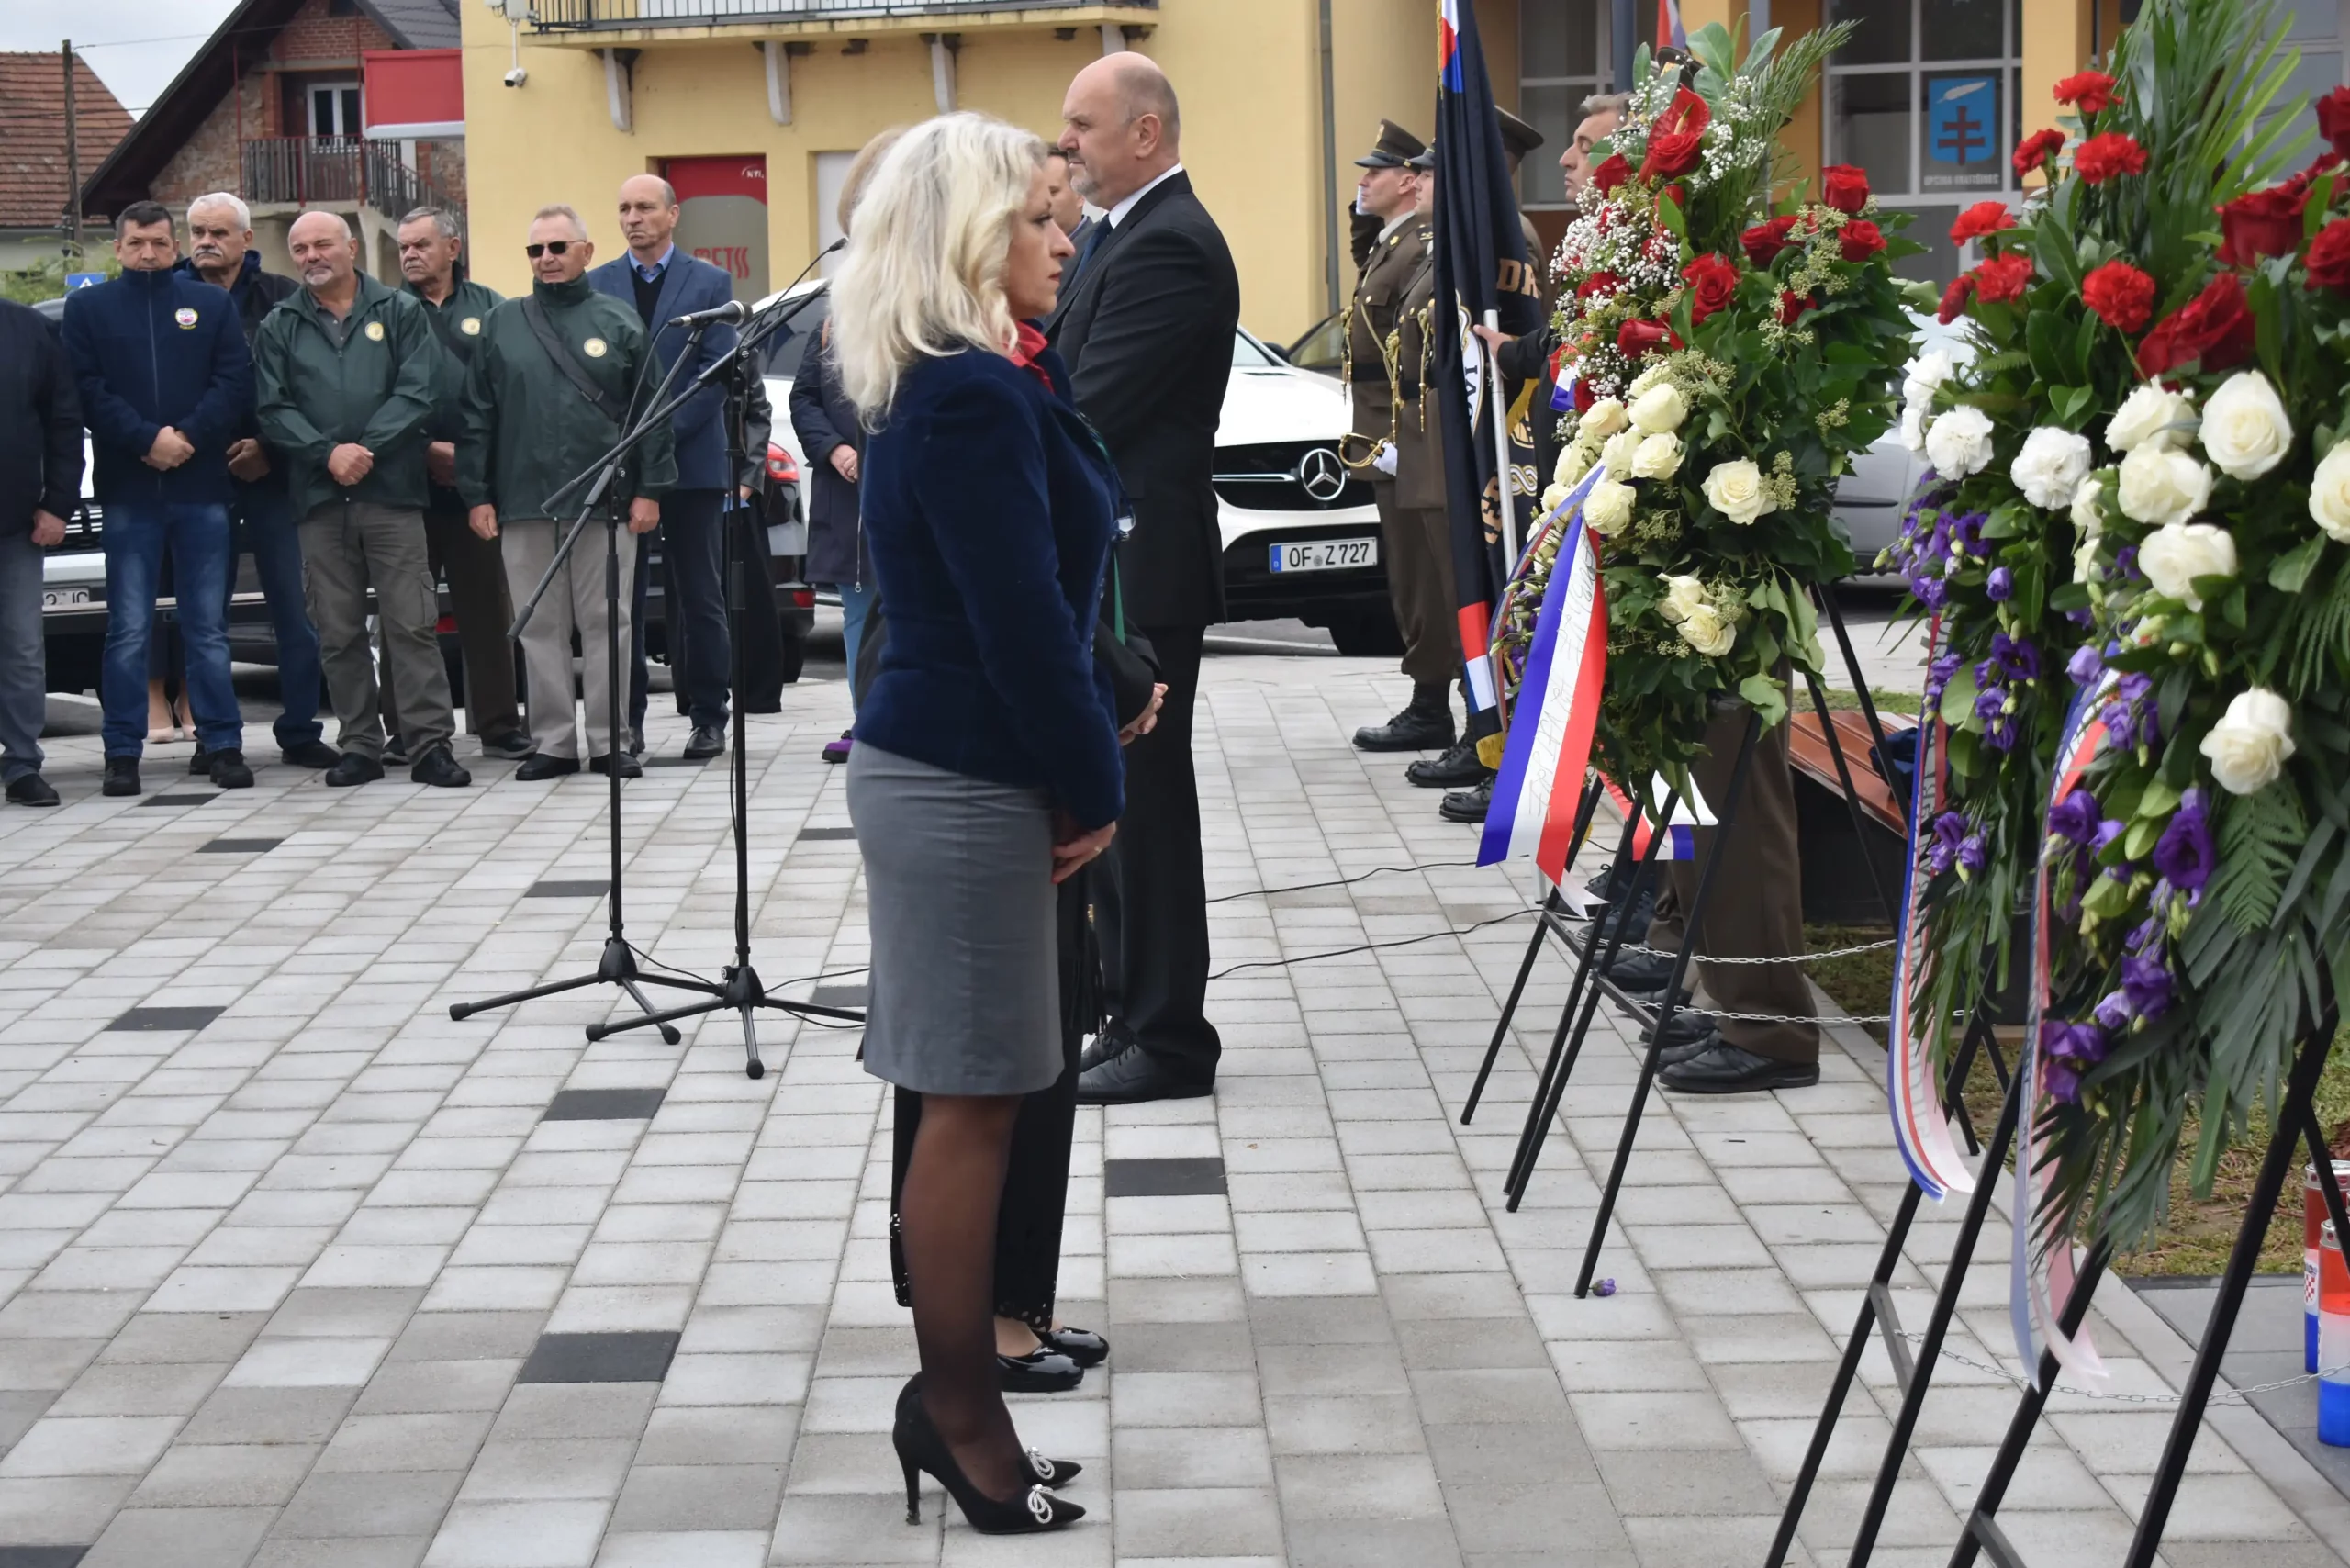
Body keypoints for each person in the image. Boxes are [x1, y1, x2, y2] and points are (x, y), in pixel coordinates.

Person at [834, 110, 1113, 1536]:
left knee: (983, 1099)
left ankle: (959, 1408)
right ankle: (958, 1416)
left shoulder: (973, 377)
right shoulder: (964, 395)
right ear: (967, 236)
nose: (1064, 238)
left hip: (962, 772)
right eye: (1037, 218)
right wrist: (1097, 783)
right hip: (958, 780)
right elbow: (1021, 627)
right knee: (973, 1107)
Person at [1050, 52, 1240, 1107]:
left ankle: (1167, 1036)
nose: (1066, 142)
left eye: (1082, 124)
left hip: (1144, 570)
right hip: (1111, 561)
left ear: (1145, 132)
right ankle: (1123, 1008)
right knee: (1114, 796)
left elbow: (1087, 403)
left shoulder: (1170, 244)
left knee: (1147, 807)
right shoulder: (1115, 234)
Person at [1448, 91, 1629, 826]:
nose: (1567, 158)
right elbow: (1568, 338)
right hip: (1573, 477)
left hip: (1612, 484)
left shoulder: (1638, 244)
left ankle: (1634, 847)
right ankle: (1555, 786)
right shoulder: (1601, 240)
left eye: (1587, 145)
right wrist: (1514, 352)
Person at [254, 209, 469, 790]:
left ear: (351, 247)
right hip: (320, 499)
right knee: (338, 630)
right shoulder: (280, 324)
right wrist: (327, 454)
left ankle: (429, 745)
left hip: (392, 493)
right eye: (300, 249)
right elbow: (272, 407)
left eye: (322, 244)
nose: (311, 256)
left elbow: (419, 391)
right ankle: (359, 745)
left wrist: (365, 450)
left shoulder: (398, 311)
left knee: (412, 624)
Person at [458, 205, 670, 780]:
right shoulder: (502, 323)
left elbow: (650, 413)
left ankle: (609, 741)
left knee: (608, 622)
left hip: (606, 501)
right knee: (539, 627)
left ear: (586, 252)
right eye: (536, 250)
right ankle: (552, 742)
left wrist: (650, 490)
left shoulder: (619, 320)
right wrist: (477, 494)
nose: (546, 259)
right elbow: (476, 417)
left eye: (558, 247)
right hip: (523, 500)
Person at [62, 199, 254, 799]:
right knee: (128, 628)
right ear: (118, 248)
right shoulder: (88, 309)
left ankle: (221, 743)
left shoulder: (210, 304)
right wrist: (146, 439)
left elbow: (233, 382)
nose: (148, 253)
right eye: (137, 243)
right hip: (130, 493)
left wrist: (187, 437)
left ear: (175, 248)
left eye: (159, 243)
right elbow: (85, 390)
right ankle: (122, 752)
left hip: (202, 489)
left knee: (208, 627)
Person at [180, 191, 335, 772]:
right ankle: (214, 738)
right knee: (205, 618)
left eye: (218, 232)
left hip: (276, 476)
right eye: (197, 231)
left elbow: (312, 386)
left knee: (295, 612)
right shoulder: (172, 298)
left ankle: (300, 729)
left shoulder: (286, 299)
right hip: (198, 477)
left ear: (246, 240)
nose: (206, 242)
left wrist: (268, 447)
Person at [590, 174, 735, 762]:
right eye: (624, 208)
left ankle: (709, 717)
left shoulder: (710, 282)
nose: (633, 218)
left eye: (645, 207)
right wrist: (629, 446)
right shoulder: (597, 284)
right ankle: (627, 724)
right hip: (623, 468)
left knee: (700, 594)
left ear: (673, 215)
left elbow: (716, 374)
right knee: (621, 599)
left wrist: (660, 438)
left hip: (691, 463)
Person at [389, 207, 531, 764]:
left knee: (489, 611)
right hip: (406, 485)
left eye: (421, 244)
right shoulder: (387, 310)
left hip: (475, 488)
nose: (410, 254)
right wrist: (424, 448)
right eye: (403, 246)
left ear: (452, 247)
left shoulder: (491, 308)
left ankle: (499, 724)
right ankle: (404, 729)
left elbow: (507, 390)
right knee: (406, 613)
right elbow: (378, 393)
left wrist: (473, 461)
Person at [792, 127, 902, 766]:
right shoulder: (833, 317)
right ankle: (867, 720)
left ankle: (895, 722)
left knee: (905, 613)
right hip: (847, 493)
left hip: (896, 490)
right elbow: (804, 397)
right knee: (859, 613)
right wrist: (835, 449)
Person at [1343, 120, 1451, 756]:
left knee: (1423, 578)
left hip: (1405, 439)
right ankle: (1429, 698)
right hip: (1387, 439)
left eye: (1375, 172)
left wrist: (1396, 443)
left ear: (1410, 182)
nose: (1362, 181)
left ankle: (1433, 702)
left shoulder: (1419, 246)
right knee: (1410, 576)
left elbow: (1406, 356)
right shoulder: (1395, 243)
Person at [0, 297, 81, 807]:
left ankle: (22, 764)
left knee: (22, 649)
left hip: (15, 522)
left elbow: (64, 421)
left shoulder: (29, 329)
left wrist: (58, 504)